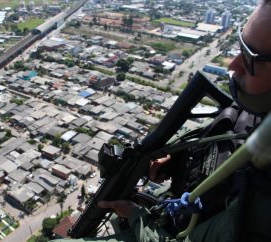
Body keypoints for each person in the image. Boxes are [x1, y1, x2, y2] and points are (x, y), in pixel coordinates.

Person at [54, 1, 271, 241]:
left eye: (251, 59)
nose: (233, 65)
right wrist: (176, 160)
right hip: (180, 199)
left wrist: (136, 215)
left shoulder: (261, 207)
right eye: (239, 47)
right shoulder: (258, 112)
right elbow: (222, 133)